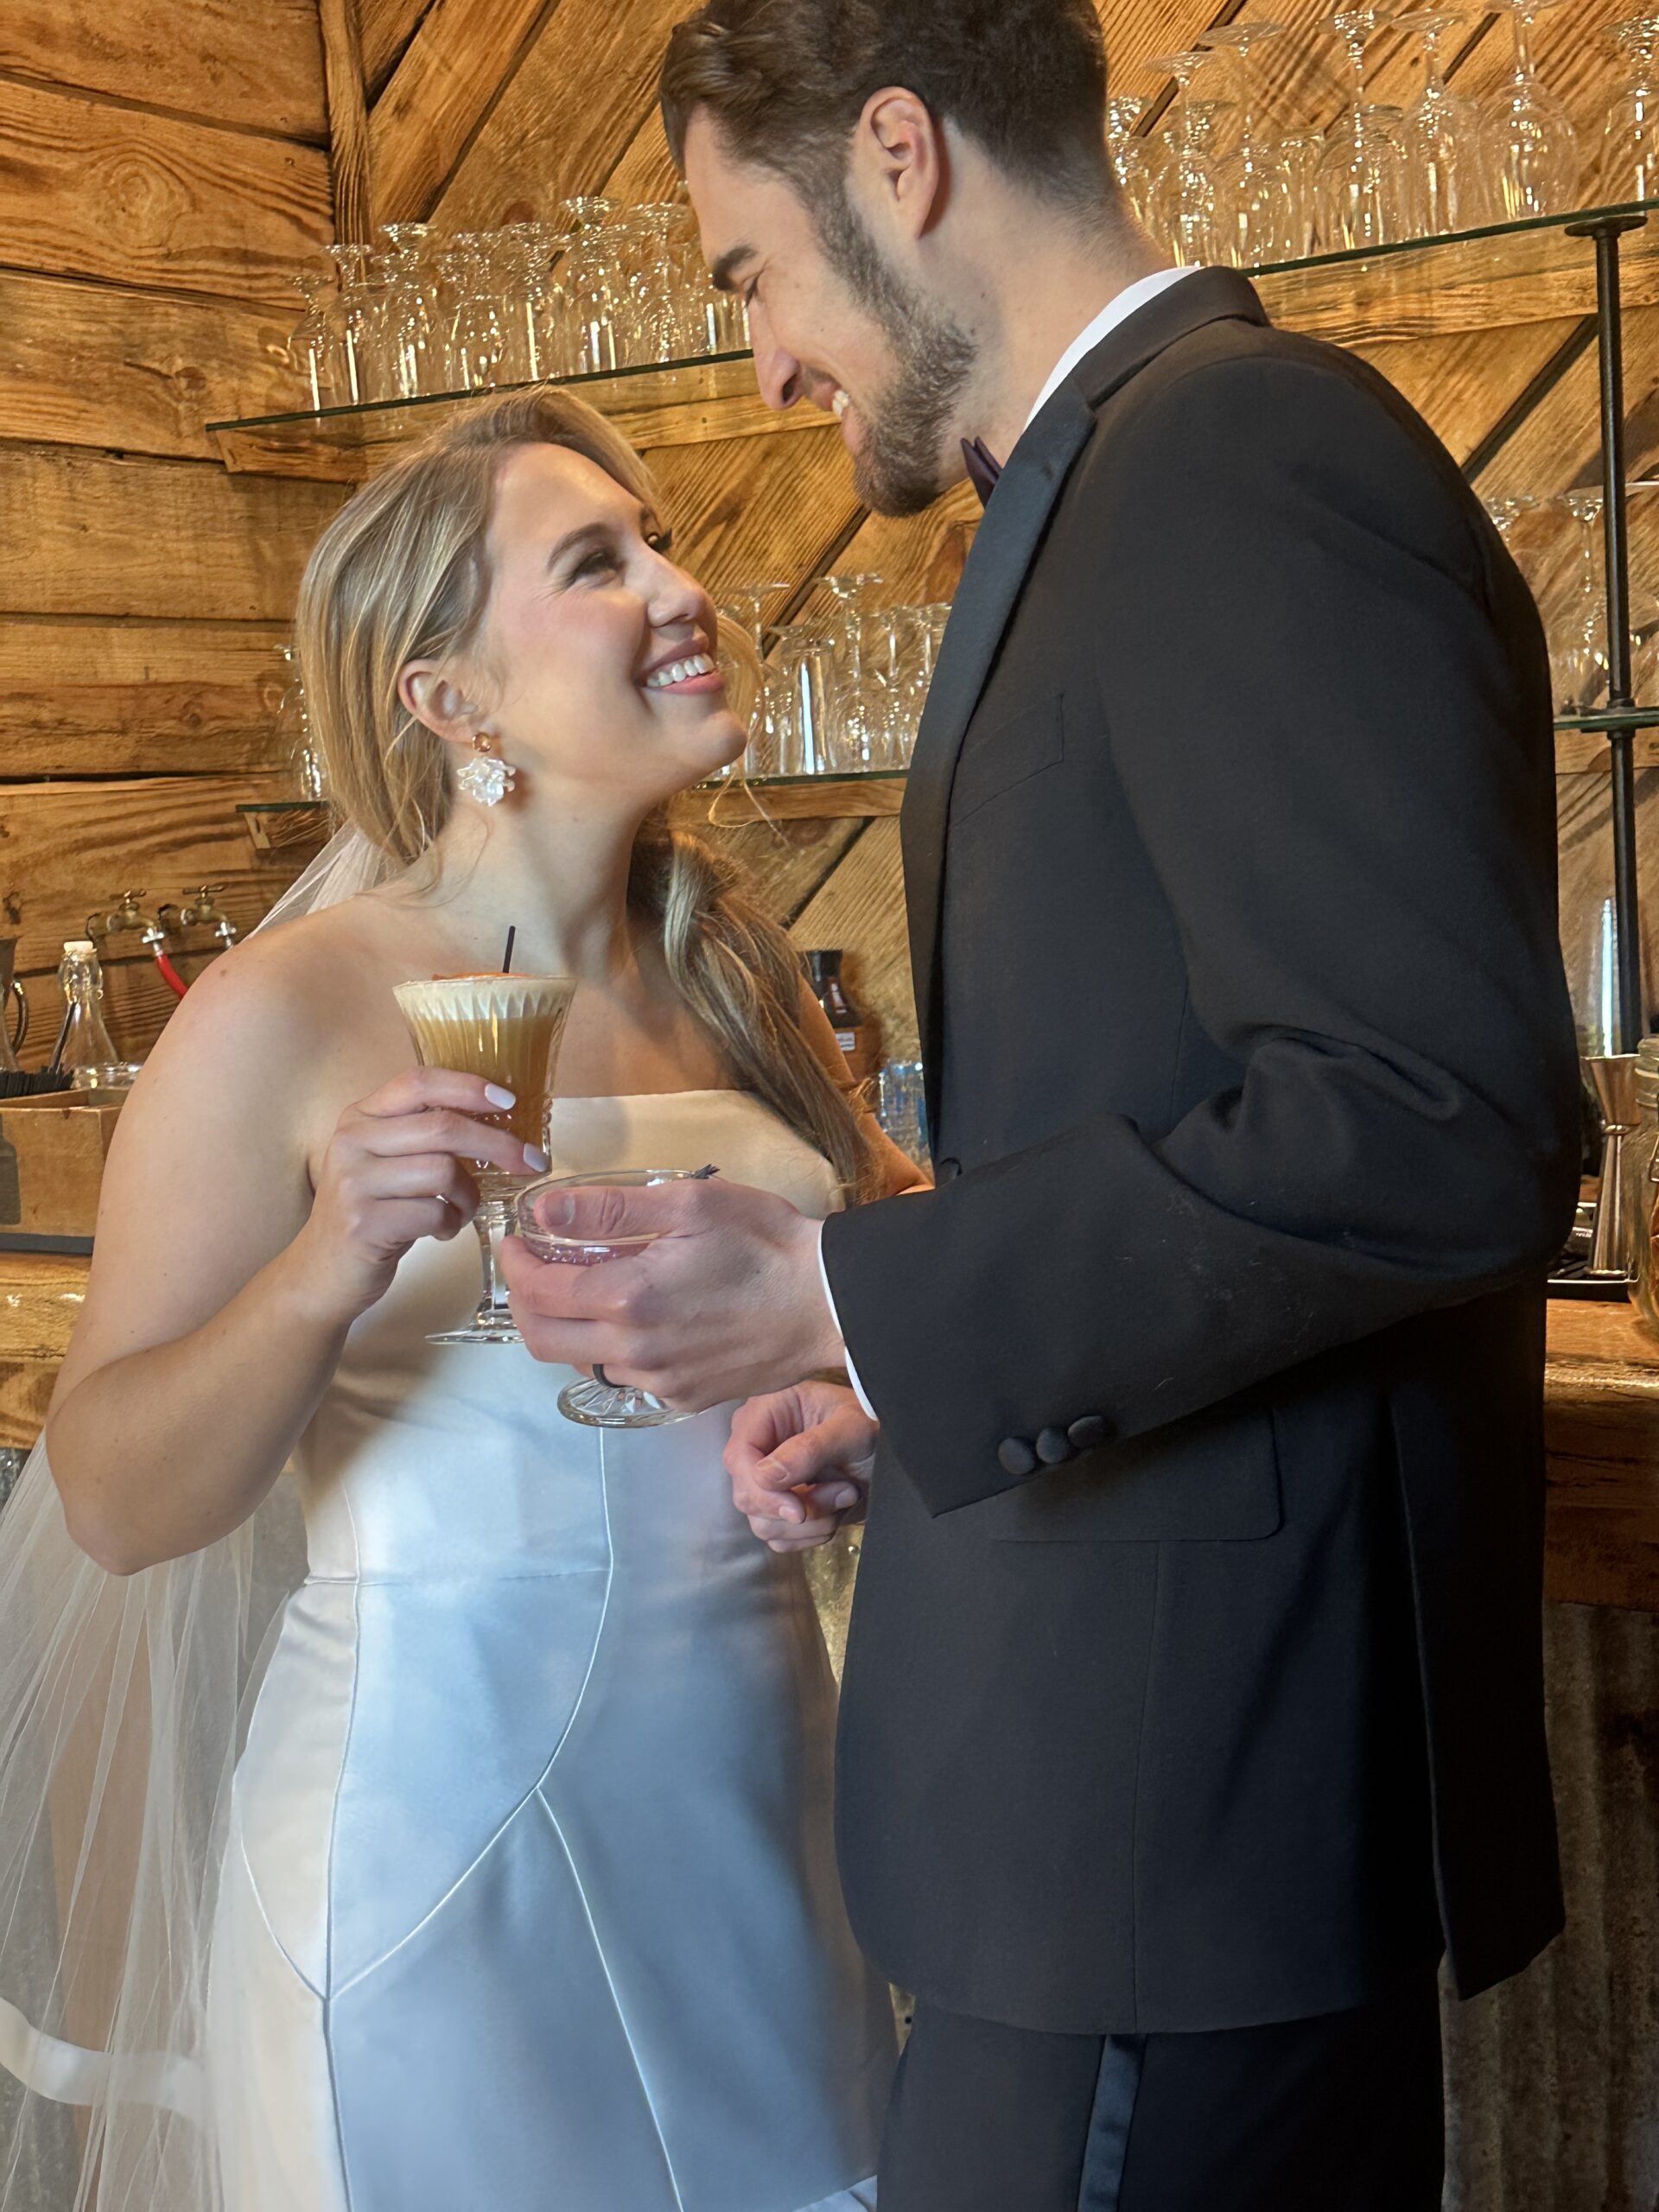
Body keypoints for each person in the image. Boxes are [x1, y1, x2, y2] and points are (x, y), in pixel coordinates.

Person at [499, 3, 1587, 2206]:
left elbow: (1435, 1116)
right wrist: (921, 1385)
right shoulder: (1124, 480)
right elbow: (1207, 1121)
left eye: (748, 274)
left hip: (1165, 1820)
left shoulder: (1235, 454)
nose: (769, 365)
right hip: (1117, 1806)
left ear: (898, 156)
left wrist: (846, 1293)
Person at [0, 386, 914, 2212]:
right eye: (598, 560)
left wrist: (855, 1417)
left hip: (762, 1828)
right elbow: (108, 1493)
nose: (679, 582)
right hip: (437, 1866)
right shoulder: (282, 1009)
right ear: (451, 701)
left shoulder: (738, 983)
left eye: (662, 536)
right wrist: (333, 1255)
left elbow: (889, 1290)